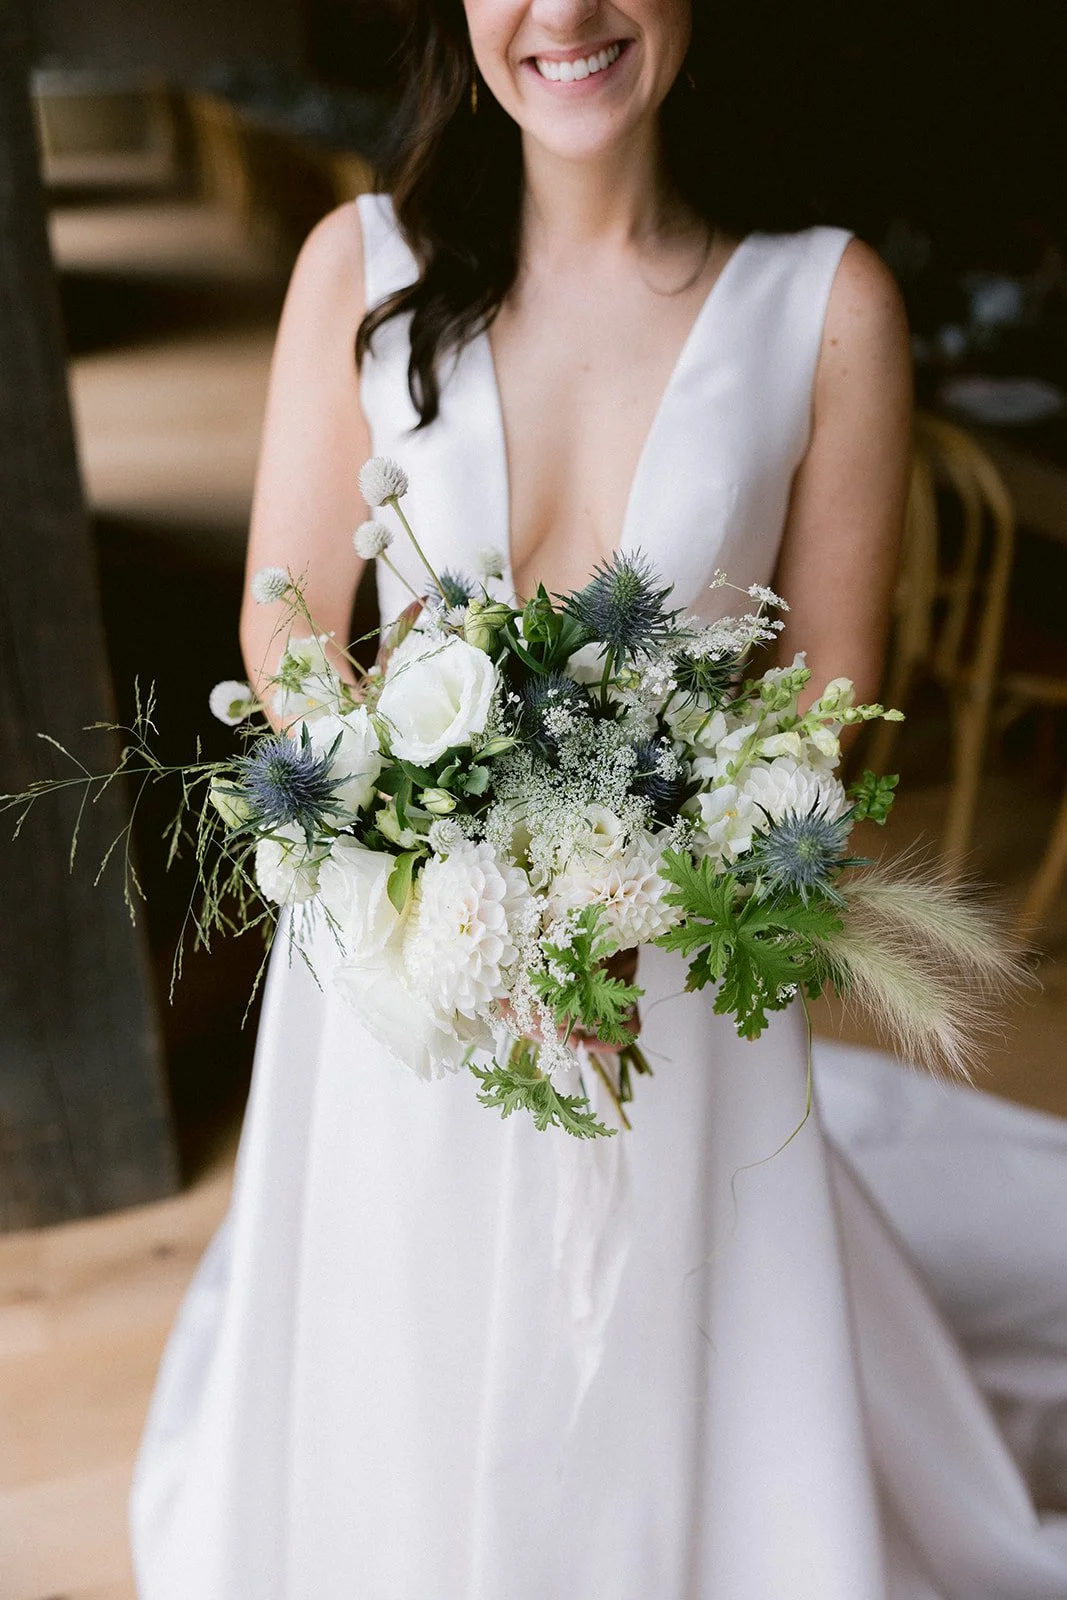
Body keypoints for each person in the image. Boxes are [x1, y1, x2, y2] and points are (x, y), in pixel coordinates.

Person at [129, 3, 1067, 1595]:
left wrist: (637, 897)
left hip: (670, 979)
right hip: (399, 961)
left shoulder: (822, 302)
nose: (562, 14)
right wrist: (408, 858)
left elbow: (824, 693)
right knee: (396, 1328)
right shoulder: (363, 265)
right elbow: (286, 619)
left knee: (658, 1357)